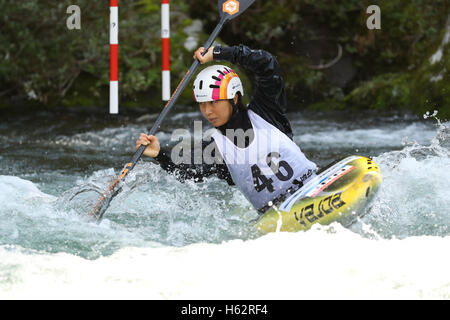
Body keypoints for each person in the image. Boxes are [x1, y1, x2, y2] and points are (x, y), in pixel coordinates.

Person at [136, 44, 317, 214]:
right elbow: (186, 170)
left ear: (235, 98)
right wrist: (159, 154)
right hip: (277, 216)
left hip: (315, 190)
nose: (207, 111)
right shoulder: (216, 149)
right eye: (202, 104)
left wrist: (218, 53)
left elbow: (266, 63)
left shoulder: (267, 111)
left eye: (214, 102)